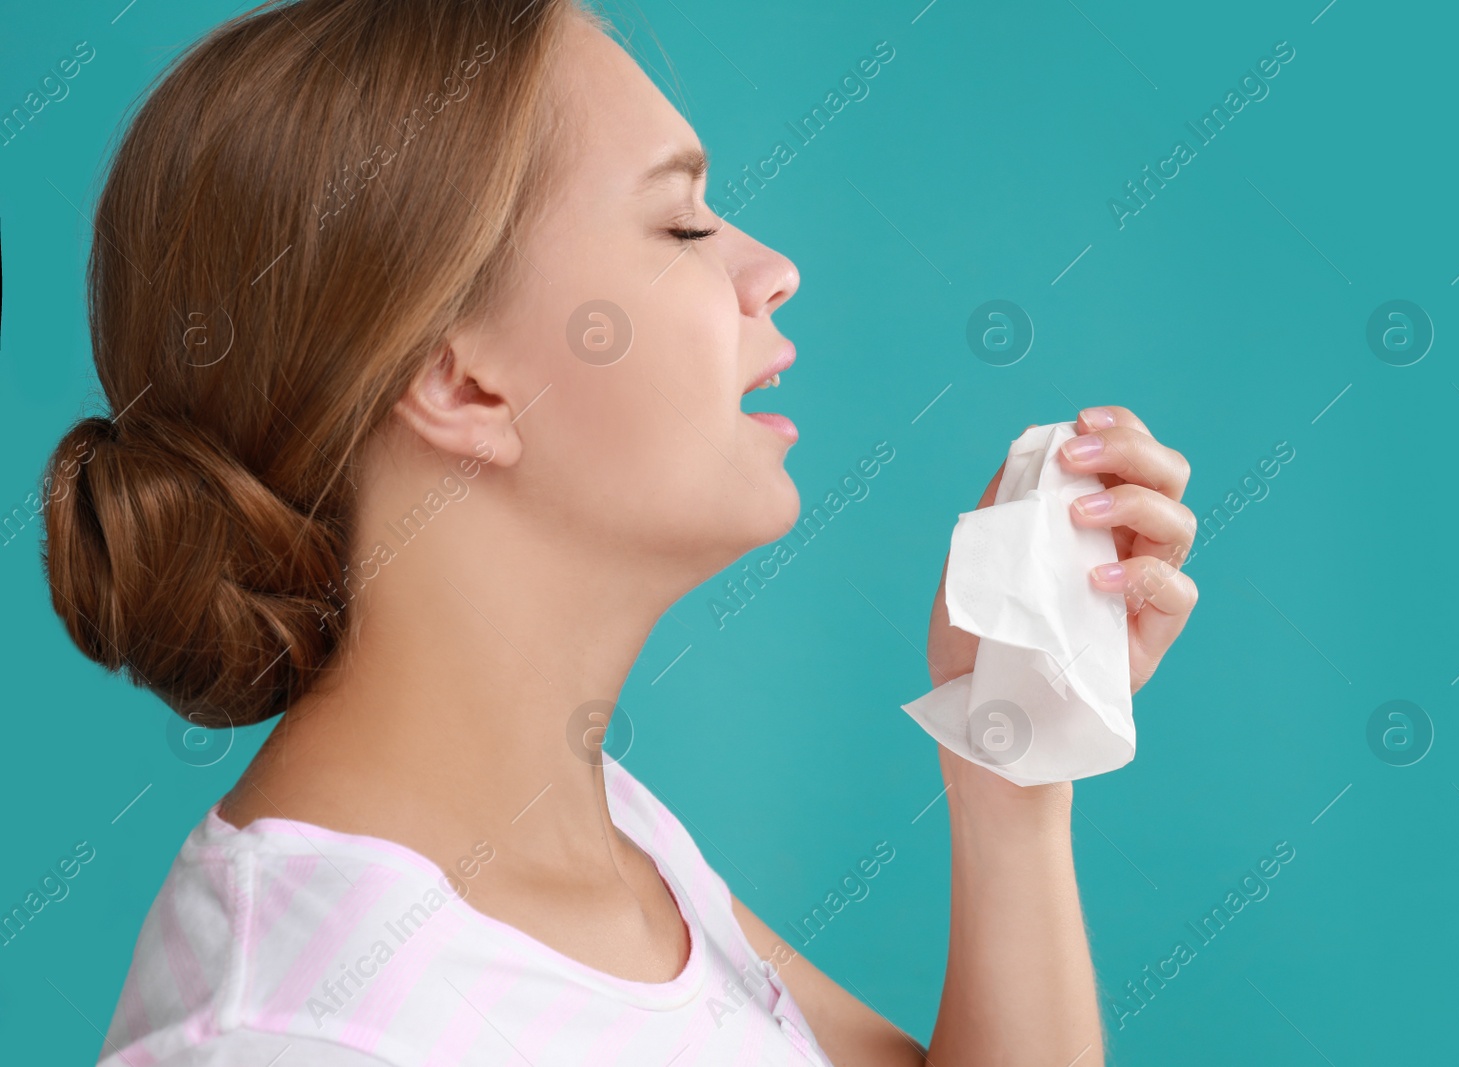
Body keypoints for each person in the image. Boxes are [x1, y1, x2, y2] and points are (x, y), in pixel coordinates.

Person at [39, 1, 1198, 1063]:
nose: (773, 270)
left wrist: (1012, 756)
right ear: (461, 381)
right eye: (683, 225)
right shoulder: (293, 1032)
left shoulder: (603, 840)